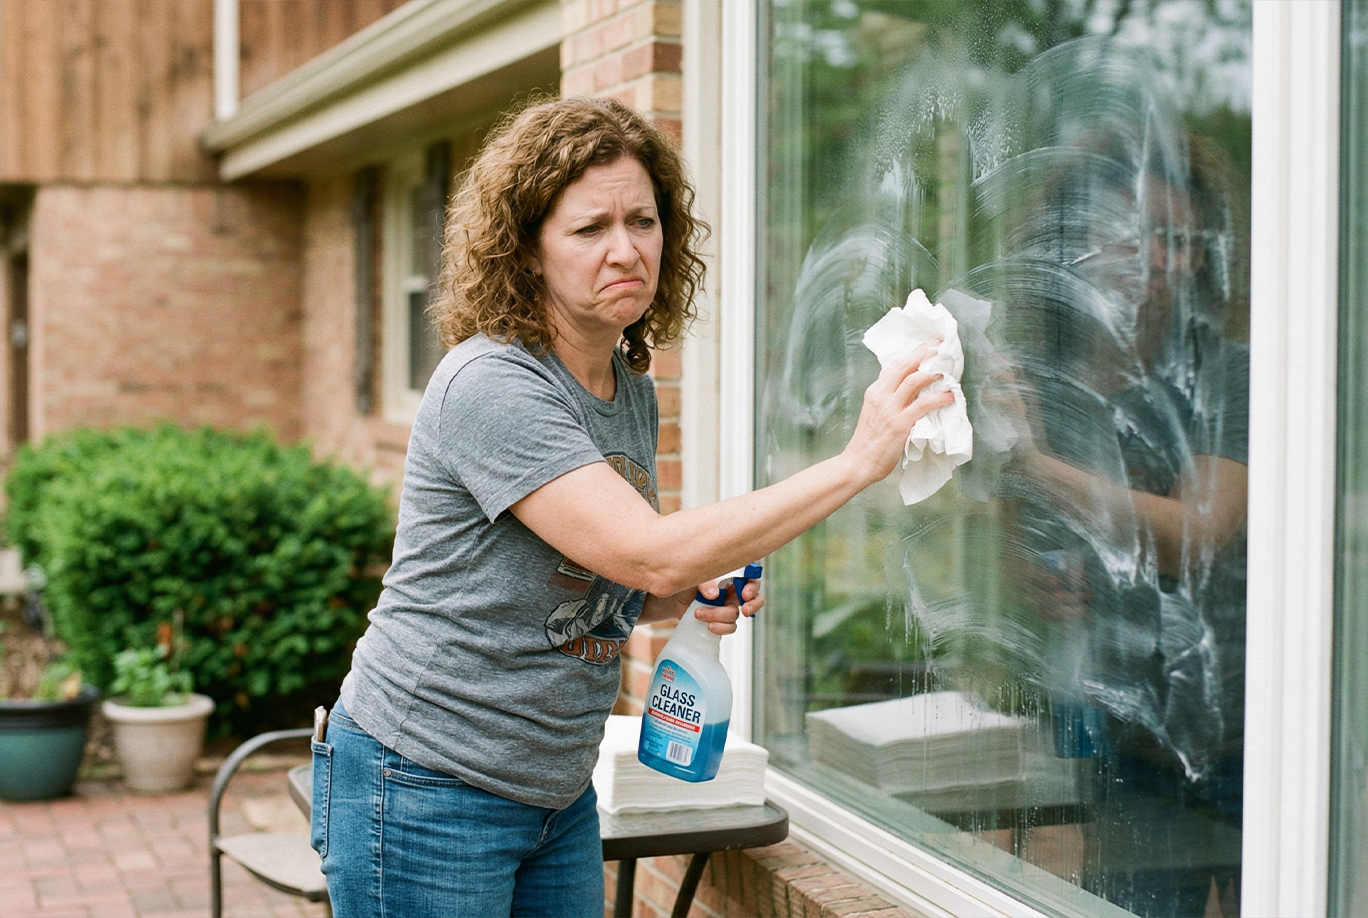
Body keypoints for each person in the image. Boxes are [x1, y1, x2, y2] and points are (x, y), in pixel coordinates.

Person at [308, 95, 953, 918]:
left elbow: (603, 582)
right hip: (424, 782)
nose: (625, 250)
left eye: (643, 222)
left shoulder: (627, 388)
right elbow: (647, 549)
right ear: (525, 251)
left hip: (554, 790)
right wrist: (860, 462)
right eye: (589, 229)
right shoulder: (491, 384)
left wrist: (682, 593)